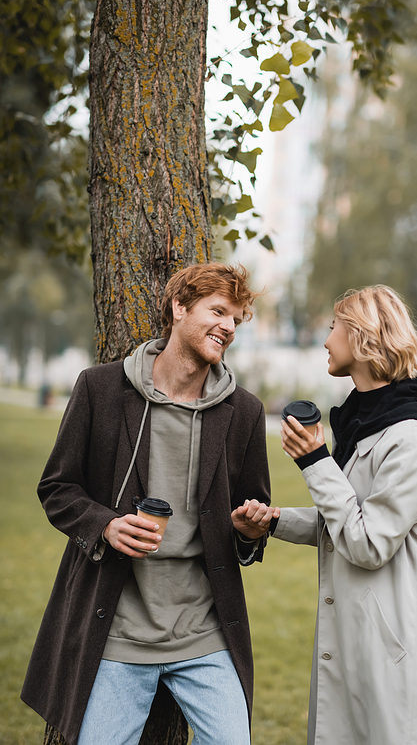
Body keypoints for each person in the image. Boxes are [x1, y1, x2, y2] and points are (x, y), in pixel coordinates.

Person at [22, 262, 277, 745]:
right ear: (178, 308)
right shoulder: (99, 389)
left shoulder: (245, 412)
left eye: (237, 319)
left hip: (204, 632)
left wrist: (249, 529)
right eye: (218, 311)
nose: (228, 326)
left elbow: (252, 513)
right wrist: (105, 526)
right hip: (116, 628)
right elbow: (57, 487)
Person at [234, 285, 417, 745]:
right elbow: (345, 522)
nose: (325, 339)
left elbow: (367, 545)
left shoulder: (411, 439)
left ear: (361, 337)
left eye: (333, 326)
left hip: (398, 653)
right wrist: (274, 521)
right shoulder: (364, 426)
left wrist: (316, 461)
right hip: (360, 642)